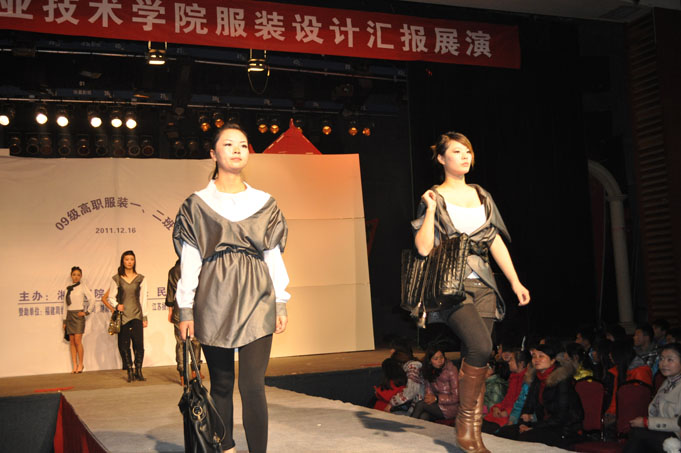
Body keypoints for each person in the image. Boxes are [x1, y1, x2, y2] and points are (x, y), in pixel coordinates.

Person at [173, 123, 290, 453]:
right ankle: (226, 448)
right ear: (213, 153)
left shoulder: (265, 202)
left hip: (257, 296)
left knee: (253, 385)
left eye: (242, 144)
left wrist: (280, 301)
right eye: (228, 144)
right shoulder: (196, 204)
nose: (237, 149)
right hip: (215, 296)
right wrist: (185, 308)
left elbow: (273, 256)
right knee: (222, 383)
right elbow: (190, 260)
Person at [412, 131, 530, 453]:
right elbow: (423, 248)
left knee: (475, 355)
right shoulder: (434, 196)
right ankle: (464, 424)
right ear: (441, 158)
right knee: (481, 345)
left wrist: (515, 281)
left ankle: (473, 434)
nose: (465, 156)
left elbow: (494, 240)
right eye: (457, 151)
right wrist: (430, 210)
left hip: (485, 285)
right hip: (452, 286)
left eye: (468, 151)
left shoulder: (482, 195)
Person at [495, 343, 584, 448]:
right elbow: (528, 406)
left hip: (564, 428)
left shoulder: (562, 380)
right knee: (504, 433)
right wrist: (523, 423)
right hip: (543, 424)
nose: (536, 360)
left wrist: (533, 426)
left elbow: (561, 416)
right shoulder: (536, 378)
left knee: (525, 438)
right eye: (534, 356)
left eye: (541, 356)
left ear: (552, 360)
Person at [624, 343, 681, 453]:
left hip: (676, 437)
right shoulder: (667, 382)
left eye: (670, 360)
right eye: (662, 359)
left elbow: (678, 423)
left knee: (639, 434)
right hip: (664, 433)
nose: (664, 363)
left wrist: (647, 422)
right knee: (637, 432)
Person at [107, 250, 148, 382]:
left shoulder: (141, 278)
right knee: (124, 345)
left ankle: (138, 370)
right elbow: (110, 297)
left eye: (131, 259)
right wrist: (116, 305)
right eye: (127, 259)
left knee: (139, 344)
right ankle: (130, 370)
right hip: (123, 316)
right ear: (122, 261)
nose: (129, 262)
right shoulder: (117, 278)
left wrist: (145, 317)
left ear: (134, 261)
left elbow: (143, 299)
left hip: (136, 315)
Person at [165, 259, 202, 385]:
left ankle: (182, 373)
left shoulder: (173, 271)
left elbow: (170, 293)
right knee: (196, 342)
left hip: (179, 308)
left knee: (180, 343)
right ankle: (196, 371)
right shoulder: (196, 268)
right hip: (194, 308)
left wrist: (170, 311)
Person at [483, 349, 530, 432]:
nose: (509, 362)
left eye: (511, 360)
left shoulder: (526, 380)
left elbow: (521, 404)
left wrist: (507, 412)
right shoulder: (513, 378)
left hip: (513, 415)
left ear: (521, 363)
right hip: (502, 412)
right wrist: (496, 407)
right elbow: (506, 400)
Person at [411, 346, 459, 421]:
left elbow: (456, 397)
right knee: (424, 416)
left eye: (441, 357)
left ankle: (408, 424)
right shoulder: (429, 370)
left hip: (450, 407)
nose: (440, 361)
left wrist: (436, 398)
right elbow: (428, 388)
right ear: (430, 361)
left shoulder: (451, 370)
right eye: (436, 359)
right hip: (436, 404)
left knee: (420, 405)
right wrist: (429, 398)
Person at [62, 266, 94, 373]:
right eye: (74, 275)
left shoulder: (82, 286)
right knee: (72, 342)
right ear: (71, 275)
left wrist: (86, 312)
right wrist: (64, 320)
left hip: (78, 316)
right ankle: (74, 365)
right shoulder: (67, 289)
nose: (76, 277)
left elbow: (92, 299)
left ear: (81, 276)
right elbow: (65, 305)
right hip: (69, 316)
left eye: (78, 275)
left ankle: (81, 364)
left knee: (77, 341)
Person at [384, 338, 425, 414]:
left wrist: (392, 403)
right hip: (414, 402)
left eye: (393, 349)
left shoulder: (413, 367)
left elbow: (411, 392)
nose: (390, 351)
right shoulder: (408, 366)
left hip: (419, 403)